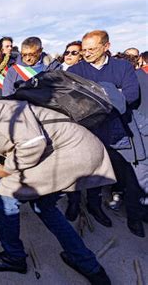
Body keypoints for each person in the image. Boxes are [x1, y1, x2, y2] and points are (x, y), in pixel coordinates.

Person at [0, 100, 113, 284]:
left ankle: (14, 257)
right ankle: (88, 265)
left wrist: (9, 168)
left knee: (3, 192)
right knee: (43, 205)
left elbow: (34, 143)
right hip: (65, 154)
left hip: (71, 151)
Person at [66, 30, 144, 236]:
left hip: (117, 130)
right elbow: (73, 101)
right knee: (80, 167)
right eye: (84, 50)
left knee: (104, 170)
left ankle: (95, 205)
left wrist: (97, 95)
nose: (87, 54)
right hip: (86, 129)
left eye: (92, 49)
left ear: (106, 47)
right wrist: (112, 92)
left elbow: (131, 95)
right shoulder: (77, 70)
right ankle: (74, 203)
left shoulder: (123, 67)